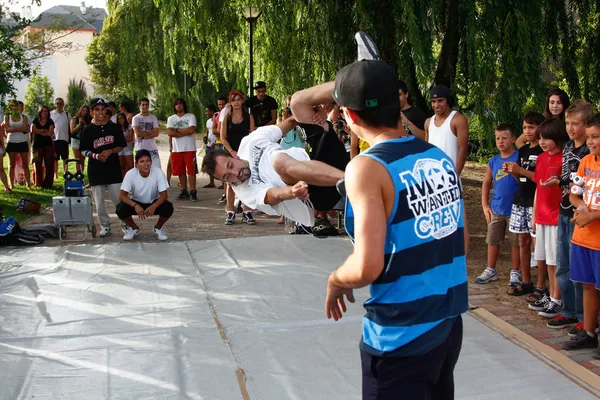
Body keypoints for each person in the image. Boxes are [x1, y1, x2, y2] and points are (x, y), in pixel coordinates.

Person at [321, 58, 467, 398]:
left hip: (401, 337)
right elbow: (459, 240)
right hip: (447, 324)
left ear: (349, 115)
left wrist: (335, 279)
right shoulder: (438, 158)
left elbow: (368, 265)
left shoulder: (367, 168)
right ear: (398, 104)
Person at [546, 100, 591, 331]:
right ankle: (569, 311)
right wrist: (559, 180)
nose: (570, 128)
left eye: (575, 123)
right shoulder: (567, 148)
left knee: (578, 267)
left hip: (580, 215)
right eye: (567, 123)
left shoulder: (589, 150)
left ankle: (585, 317)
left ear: (587, 125)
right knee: (563, 263)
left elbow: (585, 183)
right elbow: (569, 177)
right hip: (564, 210)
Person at [561, 113, 600, 355]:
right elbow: (574, 193)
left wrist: (593, 216)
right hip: (582, 238)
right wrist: (581, 206)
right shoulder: (585, 161)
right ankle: (588, 332)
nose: (591, 142)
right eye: (589, 138)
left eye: (596, 137)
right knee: (587, 286)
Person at [527, 119, 569, 318]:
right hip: (542, 216)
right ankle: (552, 296)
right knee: (546, 259)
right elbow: (538, 187)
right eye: (541, 137)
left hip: (555, 216)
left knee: (555, 260)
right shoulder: (542, 158)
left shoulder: (564, 158)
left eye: (547, 138)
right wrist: (534, 214)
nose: (542, 142)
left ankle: (557, 298)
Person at [504, 112, 545, 297]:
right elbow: (521, 177)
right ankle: (526, 281)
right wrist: (513, 172)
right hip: (520, 199)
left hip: (535, 202)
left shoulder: (544, 150)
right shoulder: (524, 150)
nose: (527, 131)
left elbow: (541, 179)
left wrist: (520, 170)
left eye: (531, 127)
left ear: (540, 128)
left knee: (539, 244)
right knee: (523, 241)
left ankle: (541, 285)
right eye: (525, 128)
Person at [476, 124, 520, 285]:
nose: (500, 141)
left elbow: (523, 181)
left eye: (504, 138)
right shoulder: (493, 161)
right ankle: (491, 269)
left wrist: (514, 172)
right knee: (492, 240)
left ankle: (515, 271)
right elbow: (486, 183)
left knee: (516, 242)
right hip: (496, 208)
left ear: (513, 139)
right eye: (497, 138)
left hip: (515, 208)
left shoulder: (518, 158)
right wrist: (485, 205)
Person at [80, 98, 126, 237]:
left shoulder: (114, 127)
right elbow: (83, 150)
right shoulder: (88, 130)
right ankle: (105, 226)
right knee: (99, 202)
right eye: (97, 109)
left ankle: (126, 224)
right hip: (96, 170)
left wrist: (110, 151)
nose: (100, 112)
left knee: (119, 200)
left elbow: (121, 145)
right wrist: (96, 156)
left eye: (103, 109)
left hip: (113, 169)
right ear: (92, 111)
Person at [116, 149, 173, 241]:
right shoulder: (130, 174)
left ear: (151, 162)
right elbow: (122, 196)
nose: (146, 164)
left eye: (148, 161)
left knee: (168, 207)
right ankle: (134, 228)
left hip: (153, 201)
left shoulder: (158, 173)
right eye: (142, 161)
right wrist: (135, 205)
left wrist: (154, 206)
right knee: (120, 208)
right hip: (137, 202)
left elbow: (164, 195)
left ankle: (158, 228)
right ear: (136, 164)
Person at [220, 90, 256, 225]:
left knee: (246, 180)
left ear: (242, 101)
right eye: (233, 100)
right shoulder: (226, 118)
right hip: (231, 153)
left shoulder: (248, 117)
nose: (236, 102)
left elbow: (252, 135)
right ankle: (230, 212)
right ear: (230, 102)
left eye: (238, 100)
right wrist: (231, 151)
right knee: (231, 183)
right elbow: (223, 137)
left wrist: (247, 150)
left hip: (245, 152)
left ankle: (247, 211)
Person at [424, 85, 469, 175]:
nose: (436, 105)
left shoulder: (458, 120)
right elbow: (427, 150)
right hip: (431, 176)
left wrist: (455, 175)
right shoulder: (428, 122)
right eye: (433, 101)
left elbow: (463, 148)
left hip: (450, 177)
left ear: (447, 100)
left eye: (440, 101)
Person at [167, 98, 198, 201]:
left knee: (191, 170)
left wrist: (176, 130)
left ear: (183, 105)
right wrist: (184, 131)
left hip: (189, 147)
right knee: (180, 171)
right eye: (176, 104)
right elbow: (170, 133)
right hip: (177, 149)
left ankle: (193, 191)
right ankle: (184, 190)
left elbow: (191, 130)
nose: (178, 106)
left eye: (180, 104)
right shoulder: (171, 119)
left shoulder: (191, 116)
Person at [4, 99, 31, 189]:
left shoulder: (24, 117)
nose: (15, 108)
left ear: (19, 107)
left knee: (25, 164)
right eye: (12, 106)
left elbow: (25, 129)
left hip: (23, 142)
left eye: (16, 106)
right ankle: (11, 184)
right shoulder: (7, 117)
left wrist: (13, 129)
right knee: (11, 165)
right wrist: (20, 129)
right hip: (11, 142)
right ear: (10, 107)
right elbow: (7, 129)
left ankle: (28, 184)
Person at [30, 105, 55, 188]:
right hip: (37, 145)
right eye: (43, 111)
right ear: (40, 112)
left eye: (46, 111)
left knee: (49, 164)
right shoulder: (35, 120)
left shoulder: (50, 121)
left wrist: (38, 131)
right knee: (37, 164)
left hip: (48, 145)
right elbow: (33, 130)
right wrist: (44, 130)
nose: (44, 113)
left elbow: (50, 133)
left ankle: (48, 183)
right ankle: (38, 183)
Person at [132, 98, 161, 169]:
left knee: (156, 169)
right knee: (141, 170)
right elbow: (138, 134)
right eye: (143, 105)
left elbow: (156, 133)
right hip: (140, 148)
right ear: (139, 106)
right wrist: (150, 133)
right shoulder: (136, 118)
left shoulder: (153, 118)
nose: (145, 106)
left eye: (147, 105)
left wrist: (144, 135)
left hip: (152, 148)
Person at [50, 97, 70, 178]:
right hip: (54, 139)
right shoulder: (51, 114)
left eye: (61, 103)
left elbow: (70, 126)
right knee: (55, 159)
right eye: (57, 103)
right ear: (55, 104)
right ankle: (56, 174)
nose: (59, 105)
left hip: (64, 139)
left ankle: (66, 173)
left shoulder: (67, 114)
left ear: (63, 104)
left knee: (65, 158)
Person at [70, 105, 92, 173]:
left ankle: (81, 174)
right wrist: (79, 125)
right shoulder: (74, 119)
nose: (84, 112)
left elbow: (88, 130)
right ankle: (78, 174)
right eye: (83, 110)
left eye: (86, 111)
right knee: (78, 159)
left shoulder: (88, 120)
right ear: (80, 110)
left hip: (83, 141)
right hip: (75, 140)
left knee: (83, 158)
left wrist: (84, 123)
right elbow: (72, 131)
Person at [203, 104, 218, 188]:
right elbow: (207, 131)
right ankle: (211, 182)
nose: (206, 113)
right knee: (209, 163)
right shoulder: (208, 121)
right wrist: (205, 137)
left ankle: (223, 182)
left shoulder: (217, 120)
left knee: (218, 163)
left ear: (212, 111)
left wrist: (215, 143)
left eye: (207, 111)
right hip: (209, 145)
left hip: (217, 145)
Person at [116, 112, 134, 177]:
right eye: (118, 119)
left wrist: (121, 140)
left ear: (124, 118)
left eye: (122, 118)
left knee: (130, 166)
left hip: (128, 148)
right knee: (122, 166)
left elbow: (129, 138)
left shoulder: (130, 127)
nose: (120, 120)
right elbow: (116, 140)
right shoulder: (116, 128)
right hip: (119, 149)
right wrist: (123, 140)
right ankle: (123, 181)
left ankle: (131, 180)